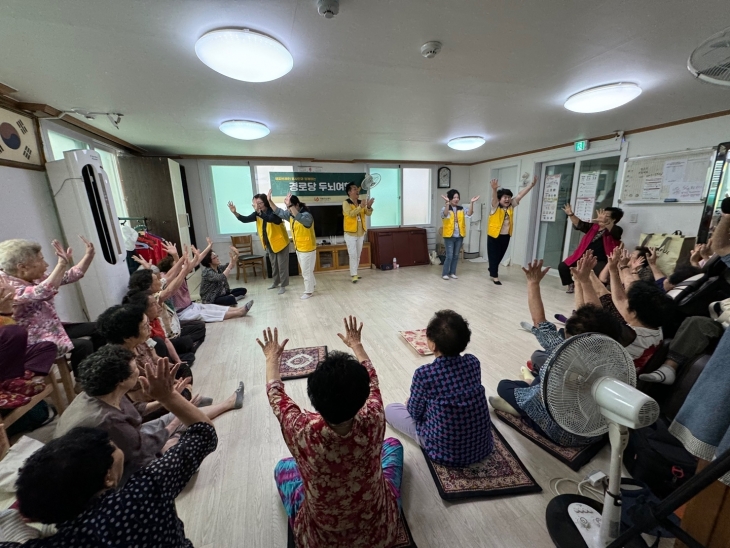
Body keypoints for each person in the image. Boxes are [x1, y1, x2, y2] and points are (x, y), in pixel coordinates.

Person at [6, 359, 219, 547]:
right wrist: (169, 397)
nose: (139, 371)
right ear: (108, 477)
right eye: (111, 447)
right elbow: (204, 434)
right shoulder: (144, 491)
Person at [260, 318, 403, 547]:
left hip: (321, 541)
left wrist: (272, 359)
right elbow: (372, 378)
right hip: (380, 534)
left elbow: (276, 395)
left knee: (282, 468)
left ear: (315, 399)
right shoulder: (374, 415)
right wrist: (356, 345)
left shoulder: (301, 429)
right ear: (363, 397)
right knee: (393, 446)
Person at [55, 345, 243, 484]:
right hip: (114, 473)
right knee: (183, 430)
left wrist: (165, 399)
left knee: (178, 416)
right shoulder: (106, 420)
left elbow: (135, 411)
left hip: (132, 440)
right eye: (136, 369)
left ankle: (228, 403)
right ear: (121, 381)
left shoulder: (100, 392)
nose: (140, 370)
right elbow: (139, 449)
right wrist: (174, 416)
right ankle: (171, 442)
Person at [490, 258, 624, 446]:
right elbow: (600, 319)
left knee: (504, 385)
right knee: (543, 375)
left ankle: (522, 408)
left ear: (572, 339)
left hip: (561, 432)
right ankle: (531, 382)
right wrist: (584, 280)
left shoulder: (563, 352)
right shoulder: (615, 351)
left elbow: (539, 321)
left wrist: (533, 282)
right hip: (596, 430)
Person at [385, 310, 493, 466]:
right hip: (482, 448)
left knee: (391, 409)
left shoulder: (424, 374)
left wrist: (411, 404)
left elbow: (415, 413)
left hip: (444, 453)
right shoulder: (473, 362)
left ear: (432, 344)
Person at [0, 237, 104, 374]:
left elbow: (68, 276)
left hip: (52, 328)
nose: (46, 265)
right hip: (37, 340)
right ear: (22, 267)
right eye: (41, 260)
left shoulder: (31, 277)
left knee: (101, 328)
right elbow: (42, 292)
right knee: (84, 346)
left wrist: (88, 256)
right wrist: (61, 264)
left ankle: (96, 367)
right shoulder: (7, 287)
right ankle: (83, 379)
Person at [127, 257, 207, 352]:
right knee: (187, 342)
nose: (160, 279)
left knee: (200, 326)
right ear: (149, 285)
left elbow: (169, 276)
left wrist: (180, 259)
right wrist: (184, 271)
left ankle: (187, 346)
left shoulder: (154, 289)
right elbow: (170, 290)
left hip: (176, 328)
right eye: (157, 279)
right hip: (168, 337)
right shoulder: (149, 298)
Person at [157, 246, 253, 322]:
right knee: (207, 314)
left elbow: (194, 263)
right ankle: (239, 312)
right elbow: (222, 277)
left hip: (191, 305)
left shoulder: (217, 268)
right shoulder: (166, 280)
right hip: (183, 312)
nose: (180, 267)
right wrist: (176, 256)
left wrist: (235, 255)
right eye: (214, 257)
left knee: (212, 307)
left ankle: (240, 308)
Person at [228, 195, 290, 294]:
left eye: (259, 203)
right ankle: (275, 282)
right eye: (255, 203)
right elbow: (245, 219)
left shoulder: (274, 211)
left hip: (281, 242)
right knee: (274, 265)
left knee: (281, 265)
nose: (257, 205)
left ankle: (283, 285)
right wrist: (235, 212)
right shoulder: (257, 214)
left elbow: (269, 219)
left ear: (265, 202)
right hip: (269, 243)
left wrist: (259, 212)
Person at [558, 206, 623, 293]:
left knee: (601, 277)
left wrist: (606, 223)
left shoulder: (616, 230)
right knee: (563, 266)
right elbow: (579, 224)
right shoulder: (593, 227)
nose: (602, 216)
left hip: (600, 259)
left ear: (613, 219)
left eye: (606, 215)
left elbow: (616, 234)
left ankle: (599, 291)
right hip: (582, 256)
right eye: (602, 214)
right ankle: (571, 284)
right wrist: (571, 214)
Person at [486, 176, 537, 284]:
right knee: (494, 256)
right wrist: (494, 189)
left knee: (500, 256)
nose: (507, 199)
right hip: (494, 236)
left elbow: (520, 195)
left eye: (509, 197)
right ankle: (495, 276)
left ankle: (492, 268)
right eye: (505, 197)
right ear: (500, 199)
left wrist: (531, 185)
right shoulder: (495, 207)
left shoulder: (510, 207)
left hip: (506, 236)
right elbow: (494, 199)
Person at [269, 190, 317, 300]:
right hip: (299, 248)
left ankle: (309, 292)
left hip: (308, 249)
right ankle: (312, 285)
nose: (288, 210)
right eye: (287, 207)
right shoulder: (291, 215)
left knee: (306, 271)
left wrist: (290, 206)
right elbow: (278, 212)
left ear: (297, 205)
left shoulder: (307, 216)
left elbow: (299, 217)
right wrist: (270, 201)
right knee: (307, 270)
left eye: (290, 207)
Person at [440, 189, 478, 281]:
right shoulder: (445, 208)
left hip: (459, 235)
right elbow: (445, 215)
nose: (456, 199)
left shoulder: (461, 209)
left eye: (457, 197)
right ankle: (445, 273)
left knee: (456, 255)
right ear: (450, 198)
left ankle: (452, 272)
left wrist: (471, 203)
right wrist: (447, 204)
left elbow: (469, 213)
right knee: (449, 255)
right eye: (454, 197)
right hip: (449, 236)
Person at [343, 182, 374, 283]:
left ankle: (355, 272)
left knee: (358, 254)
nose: (357, 191)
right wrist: (360, 207)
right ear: (349, 192)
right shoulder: (346, 203)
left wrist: (368, 206)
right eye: (354, 189)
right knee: (352, 254)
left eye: (357, 189)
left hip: (361, 233)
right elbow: (351, 214)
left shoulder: (361, 202)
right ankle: (354, 274)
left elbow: (368, 214)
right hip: (350, 233)